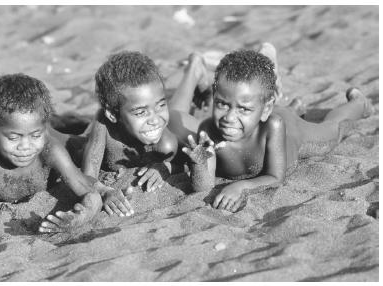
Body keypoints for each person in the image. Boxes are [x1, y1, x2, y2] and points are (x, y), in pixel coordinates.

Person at [169, 44, 372, 213]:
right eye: (222, 104)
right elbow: (203, 188)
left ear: (266, 109)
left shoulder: (272, 126)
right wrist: (199, 167)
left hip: (293, 133)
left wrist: (240, 186)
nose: (230, 117)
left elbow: (276, 177)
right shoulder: (208, 129)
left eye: (243, 109)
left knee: (332, 132)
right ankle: (292, 105)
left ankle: (359, 104)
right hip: (268, 110)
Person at [0, 73, 111, 238]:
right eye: (14, 138)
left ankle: (71, 121)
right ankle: (58, 122)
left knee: (81, 142)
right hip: (39, 127)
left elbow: (92, 194)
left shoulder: (50, 149)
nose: (25, 147)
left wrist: (80, 217)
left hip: (58, 138)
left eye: (36, 136)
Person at [81, 51, 179, 216]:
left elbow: (184, 163)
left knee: (179, 111)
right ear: (112, 115)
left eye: (162, 105)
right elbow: (88, 175)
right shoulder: (103, 123)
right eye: (141, 113)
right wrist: (104, 191)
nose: (154, 120)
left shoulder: (166, 144)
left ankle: (193, 70)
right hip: (86, 137)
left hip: (179, 120)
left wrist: (165, 167)